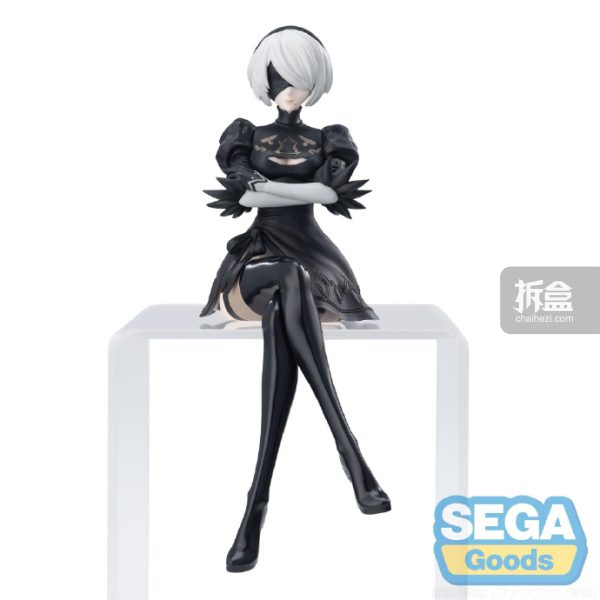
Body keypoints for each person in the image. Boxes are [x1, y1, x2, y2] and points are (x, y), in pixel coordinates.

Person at [200, 26, 391, 572]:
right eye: (281, 78)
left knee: (290, 301)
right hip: (257, 262)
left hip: (317, 262)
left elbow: (327, 193)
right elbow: (245, 196)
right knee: (287, 276)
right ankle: (350, 452)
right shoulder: (246, 134)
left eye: (301, 79)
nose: (291, 89)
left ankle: (254, 507)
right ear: (264, 81)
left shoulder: (331, 137)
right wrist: (293, 191)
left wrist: (271, 189)